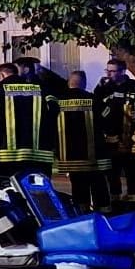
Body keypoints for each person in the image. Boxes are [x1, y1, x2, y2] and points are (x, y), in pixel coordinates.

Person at [55, 70, 110, 212]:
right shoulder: (94, 99)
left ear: (69, 82)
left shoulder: (57, 101)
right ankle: (103, 215)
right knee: (99, 186)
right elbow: (108, 119)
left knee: (78, 188)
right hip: (94, 155)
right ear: (84, 83)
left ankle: (82, 215)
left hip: (71, 156)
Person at [0, 61, 53, 182]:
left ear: (2, 75)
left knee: (5, 191)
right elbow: (54, 110)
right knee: (37, 193)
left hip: (5, 155)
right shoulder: (41, 88)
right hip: (38, 155)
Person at [97, 57, 135, 203]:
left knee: (133, 174)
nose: (109, 74)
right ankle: (115, 203)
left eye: (113, 71)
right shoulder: (104, 89)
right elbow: (98, 111)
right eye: (108, 71)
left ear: (123, 71)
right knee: (112, 174)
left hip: (132, 140)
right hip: (111, 141)